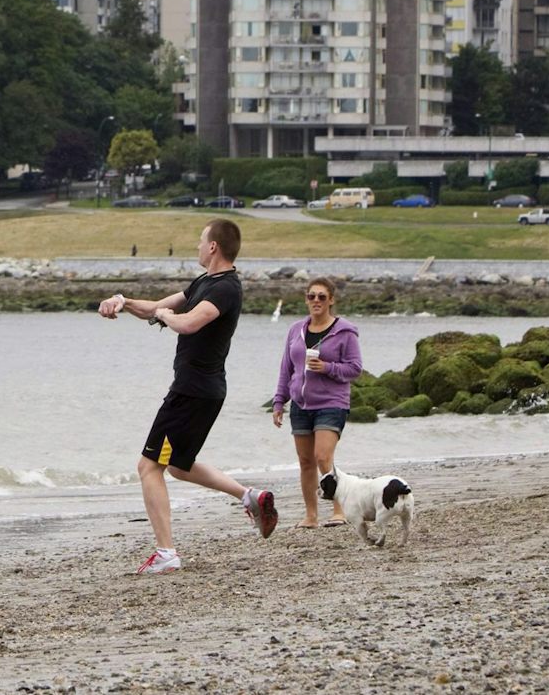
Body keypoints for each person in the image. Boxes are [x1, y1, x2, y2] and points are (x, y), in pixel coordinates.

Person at [99, 218, 277, 574]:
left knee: (149, 466)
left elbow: (190, 322)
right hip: (200, 392)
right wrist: (123, 300)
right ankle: (249, 496)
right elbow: (154, 308)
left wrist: (167, 315)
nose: (197, 246)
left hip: (192, 392)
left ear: (213, 247)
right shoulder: (204, 282)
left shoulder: (227, 288)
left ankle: (166, 554)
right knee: (179, 466)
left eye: (200, 241)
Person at [271, 276, 363, 527]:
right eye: (311, 296)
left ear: (331, 300)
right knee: (306, 462)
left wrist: (327, 367)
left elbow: (355, 369)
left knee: (323, 457)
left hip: (332, 402)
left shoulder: (344, 332)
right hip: (301, 404)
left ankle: (339, 510)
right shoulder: (296, 330)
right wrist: (279, 402)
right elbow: (286, 369)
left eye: (322, 296)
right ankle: (311, 515)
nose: (316, 301)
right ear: (306, 300)